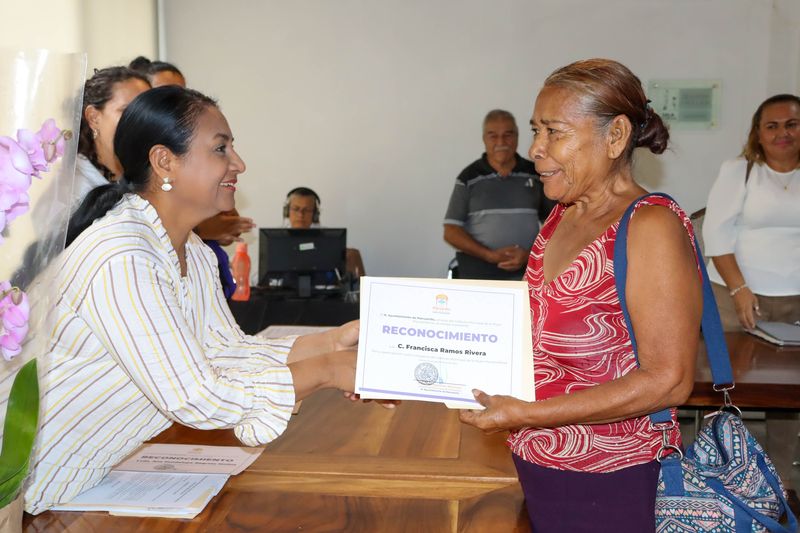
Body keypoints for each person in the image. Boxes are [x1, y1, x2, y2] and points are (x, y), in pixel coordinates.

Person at [22, 86, 382, 514]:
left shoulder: (189, 249)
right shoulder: (121, 254)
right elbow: (195, 395)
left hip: (75, 484)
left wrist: (335, 342)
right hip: (24, 489)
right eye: (220, 149)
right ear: (164, 161)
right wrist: (326, 372)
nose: (239, 164)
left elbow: (224, 351)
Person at [459, 59, 703, 532]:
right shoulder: (560, 217)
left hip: (613, 474)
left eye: (554, 132)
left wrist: (530, 414)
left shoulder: (650, 226)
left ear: (615, 137)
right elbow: (534, 334)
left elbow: (668, 381)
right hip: (538, 460)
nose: (535, 149)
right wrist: (406, 375)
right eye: (536, 130)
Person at [702, 94, 800, 331]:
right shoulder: (738, 171)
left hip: (795, 300)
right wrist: (739, 289)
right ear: (758, 134)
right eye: (772, 126)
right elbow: (716, 235)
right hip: (735, 296)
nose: (783, 133)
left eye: (792, 124)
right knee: (737, 365)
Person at [443, 109, 554, 280]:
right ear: (484, 139)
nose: (501, 141)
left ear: (517, 137)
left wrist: (530, 256)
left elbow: (554, 225)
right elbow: (451, 231)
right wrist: (489, 255)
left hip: (527, 272)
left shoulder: (537, 174)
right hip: (477, 275)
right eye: (493, 135)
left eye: (508, 135)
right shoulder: (468, 177)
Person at [74, 66, 151, 209]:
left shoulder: (154, 176)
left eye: (148, 111)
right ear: (94, 117)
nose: (143, 121)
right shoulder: (73, 189)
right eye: (127, 111)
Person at [284, 186, 366, 278]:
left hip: (322, 287)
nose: (300, 214)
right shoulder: (276, 238)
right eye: (296, 209)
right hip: (282, 288)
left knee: (352, 254)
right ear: (287, 211)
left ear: (315, 215)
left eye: (306, 210)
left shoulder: (326, 236)